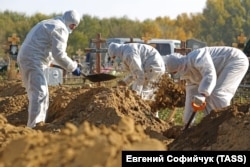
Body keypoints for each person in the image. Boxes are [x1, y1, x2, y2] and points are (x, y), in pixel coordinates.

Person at [17, 10, 81, 128]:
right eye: (73, 26)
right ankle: (35, 127)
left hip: (29, 58)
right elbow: (59, 55)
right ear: (71, 23)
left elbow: (50, 53)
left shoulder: (51, 23)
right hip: (33, 60)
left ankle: (35, 125)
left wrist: (70, 64)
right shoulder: (61, 29)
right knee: (40, 93)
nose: (73, 28)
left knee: (39, 93)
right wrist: (73, 67)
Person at [164, 46, 249, 125]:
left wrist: (202, 93)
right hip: (222, 67)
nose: (175, 74)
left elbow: (209, 74)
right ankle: (211, 125)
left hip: (235, 60)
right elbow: (191, 97)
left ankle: (226, 124)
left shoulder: (197, 56)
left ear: (175, 70)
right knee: (208, 97)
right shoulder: (188, 75)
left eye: (174, 72)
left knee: (218, 93)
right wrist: (187, 122)